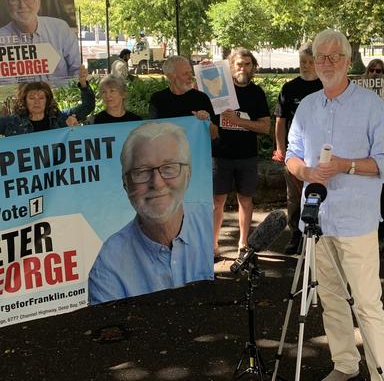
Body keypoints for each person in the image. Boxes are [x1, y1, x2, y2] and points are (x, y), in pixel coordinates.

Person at [286, 29, 384, 381]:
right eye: (321, 57)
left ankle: (380, 373)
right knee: (331, 299)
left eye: (335, 57)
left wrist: (346, 165)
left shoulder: (370, 105)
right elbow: (291, 155)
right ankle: (345, 364)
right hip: (317, 220)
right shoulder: (306, 106)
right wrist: (305, 171)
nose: (327, 63)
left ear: (349, 61)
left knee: (366, 302)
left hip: (356, 220)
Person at [88, 121, 213, 305]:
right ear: (125, 184)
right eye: (142, 171)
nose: (157, 183)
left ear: (189, 174)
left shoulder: (210, 223)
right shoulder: (109, 263)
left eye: (169, 167)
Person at [148, 56, 219, 253]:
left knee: (198, 209)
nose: (191, 76)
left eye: (190, 72)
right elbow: (153, 132)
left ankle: (200, 252)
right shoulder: (158, 100)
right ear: (171, 76)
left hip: (197, 168)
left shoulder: (201, 99)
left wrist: (206, 123)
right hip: (167, 169)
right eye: (186, 73)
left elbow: (215, 134)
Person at [213, 48, 270, 255]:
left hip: (246, 156)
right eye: (239, 64)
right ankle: (214, 244)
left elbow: (265, 127)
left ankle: (243, 244)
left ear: (253, 67)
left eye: (247, 64)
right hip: (220, 155)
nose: (243, 68)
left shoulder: (256, 93)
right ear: (231, 66)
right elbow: (198, 101)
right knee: (217, 201)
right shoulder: (219, 90)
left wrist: (239, 121)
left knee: (245, 200)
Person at [273, 42, 322, 255]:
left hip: (322, 152)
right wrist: (280, 148)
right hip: (296, 152)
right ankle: (296, 233)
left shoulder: (325, 86)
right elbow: (280, 121)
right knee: (294, 196)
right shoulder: (289, 88)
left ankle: (319, 234)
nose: (306, 65)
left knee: (319, 194)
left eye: (311, 62)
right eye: (303, 61)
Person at [0, 0, 80, 81]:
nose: (22, 5)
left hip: (60, 96)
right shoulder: (1, 38)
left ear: (38, 1)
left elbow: (77, 69)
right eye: (15, 0)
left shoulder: (60, 29)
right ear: (7, 4)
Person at [0, 65, 94, 136]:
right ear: (24, 101)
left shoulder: (59, 119)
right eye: (32, 98)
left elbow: (87, 106)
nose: (37, 102)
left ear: (47, 100)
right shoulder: (12, 122)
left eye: (41, 98)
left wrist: (83, 84)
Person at [363, 59, 384, 252]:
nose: (375, 73)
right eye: (372, 70)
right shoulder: (357, 94)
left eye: (380, 70)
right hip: (364, 153)